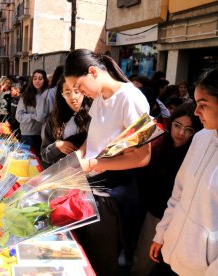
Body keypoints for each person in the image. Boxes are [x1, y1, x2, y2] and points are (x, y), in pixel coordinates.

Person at [64, 49, 151, 276]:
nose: (79, 93)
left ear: (93, 72)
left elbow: (142, 156)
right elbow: (91, 139)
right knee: (89, 254)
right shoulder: (100, 98)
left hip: (112, 195)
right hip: (91, 188)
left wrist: (93, 164)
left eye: (79, 87)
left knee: (104, 263)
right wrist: (78, 157)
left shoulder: (131, 98)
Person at [149, 66, 218, 275]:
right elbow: (180, 191)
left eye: (203, 105)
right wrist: (163, 232)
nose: (196, 112)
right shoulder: (201, 137)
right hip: (173, 252)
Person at [132, 103, 202, 276]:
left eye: (188, 129)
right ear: (170, 123)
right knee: (142, 261)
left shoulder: (194, 155)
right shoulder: (157, 145)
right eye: (177, 126)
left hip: (176, 218)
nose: (180, 133)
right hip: (151, 212)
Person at [41, 76, 91, 167]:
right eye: (67, 93)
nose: (73, 97)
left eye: (77, 91)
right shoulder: (55, 118)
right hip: (64, 174)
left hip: (90, 171)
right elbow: (44, 154)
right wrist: (57, 146)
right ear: (62, 94)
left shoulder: (93, 114)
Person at [16, 69, 49, 157]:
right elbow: (19, 116)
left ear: (44, 80)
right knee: (30, 161)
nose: (37, 81)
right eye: (35, 78)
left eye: (40, 78)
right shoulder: (26, 96)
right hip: (28, 134)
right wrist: (33, 116)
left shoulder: (48, 94)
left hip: (44, 134)